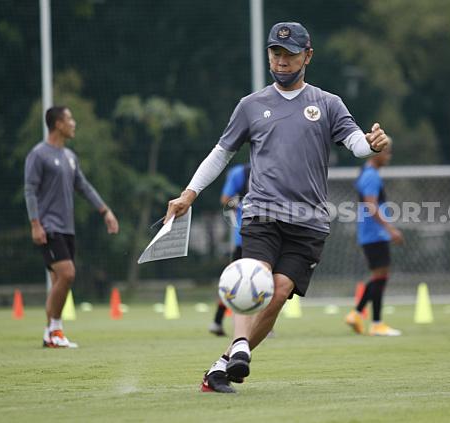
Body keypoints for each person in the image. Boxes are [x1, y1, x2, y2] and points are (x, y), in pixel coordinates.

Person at [163, 22, 390, 393]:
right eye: (275, 53)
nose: (281, 61)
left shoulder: (328, 103)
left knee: (279, 293)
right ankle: (239, 346)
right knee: (254, 277)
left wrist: (372, 143)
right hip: (261, 212)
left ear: (308, 56)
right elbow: (221, 154)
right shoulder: (250, 106)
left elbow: (356, 144)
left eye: (290, 54)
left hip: (310, 222)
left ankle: (223, 364)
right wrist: (190, 192)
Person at [24, 106, 119, 348]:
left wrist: (105, 211)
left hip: (67, 228)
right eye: (69, 119)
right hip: (49, 226)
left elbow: (84, 187)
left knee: (60, 281)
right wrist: (35, 224)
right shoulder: (38, 155)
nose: (74, 123)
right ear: (57, 124)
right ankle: (53, 330)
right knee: (68, 274)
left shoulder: (69, 157)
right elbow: (30, 190)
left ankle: (52, 334)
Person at [345, 141, 403, 336]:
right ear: (375, 152)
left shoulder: (367, 172)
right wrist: (389, 229)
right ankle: (376, 323)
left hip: (371, 234)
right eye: (386, 151)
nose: (389, 155)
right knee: (381, 277)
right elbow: (371, 205)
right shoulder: (371, 175)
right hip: (375, 234)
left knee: (379, 277)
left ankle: (356, 314)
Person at [209, 161, 251, 337]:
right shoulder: (240, 173)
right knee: (233, 282)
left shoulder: (277, 168)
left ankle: (264, 324)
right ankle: (217, 321)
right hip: (243, 238)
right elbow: (225, 200)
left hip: (270, 237)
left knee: (268, 280)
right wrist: (244, 204)